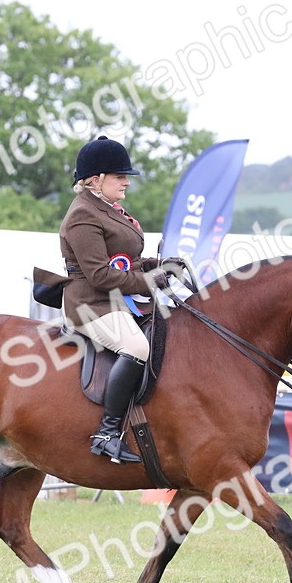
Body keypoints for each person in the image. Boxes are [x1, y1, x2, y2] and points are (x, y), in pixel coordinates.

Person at [59, 136, 168, 465]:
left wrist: (156, 266)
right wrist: (148, 282)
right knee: (137, 348)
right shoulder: (82, 216)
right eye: (120, 176)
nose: (126, 182)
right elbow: (100, 275)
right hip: (91, 304)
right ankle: (106, 434)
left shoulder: (107, 208)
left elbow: (124, 259)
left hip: (117, 300)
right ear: (96, 180)